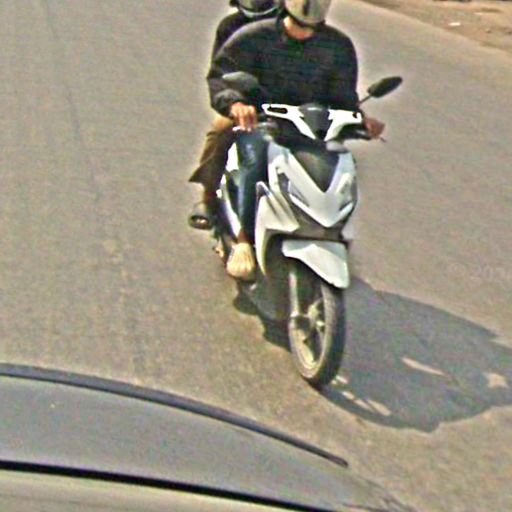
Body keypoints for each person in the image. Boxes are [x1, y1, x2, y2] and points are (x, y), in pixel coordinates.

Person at [207, 0, 385, 280]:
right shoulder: (252, 36)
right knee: (251, 154)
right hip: (261, 120)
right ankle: (242, 239)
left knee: (339, 163)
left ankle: (329, 229)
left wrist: (360, 119)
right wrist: (236, 104)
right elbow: (223, 77)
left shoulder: (337, 46)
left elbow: (343, 96)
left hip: (311, 125)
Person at [188, 0, 280, 230]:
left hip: (293, 107)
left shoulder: (295, 26)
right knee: (221, 130)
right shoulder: (230, 27)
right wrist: (235, 103)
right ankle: (208, 197)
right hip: (247, 106)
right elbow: (220, 74)